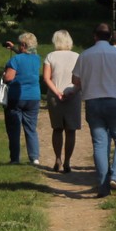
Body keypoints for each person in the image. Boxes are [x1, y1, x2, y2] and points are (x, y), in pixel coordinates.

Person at [72, 23, 116, 197]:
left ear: (94, 36)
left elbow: (75, 80)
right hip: (115, 100)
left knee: (99, 143)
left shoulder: (84, 55)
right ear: (110, 37)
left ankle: (102, 186)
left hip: (92, 101)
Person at [43, 29, 81, 173]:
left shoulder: (50, 56)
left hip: (55, 96)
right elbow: (81, 78)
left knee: (57, 128)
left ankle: (58, 158)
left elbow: (47, 78)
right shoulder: (77, 56)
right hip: (73, 95)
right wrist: (73, 91)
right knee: (71, 130)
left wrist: (57, 92)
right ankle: (67, 161)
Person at [2, 32, 43, 166]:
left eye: (20, 44)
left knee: (14, 129)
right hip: (34, 97)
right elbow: (25, 57)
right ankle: (34, 157)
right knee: (31, 128)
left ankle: (15, 158)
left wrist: (3, 76)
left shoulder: (15, 60)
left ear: (24, 45)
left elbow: (9, 77)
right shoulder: (37, 59)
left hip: (16, 97)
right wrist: (14, 48)